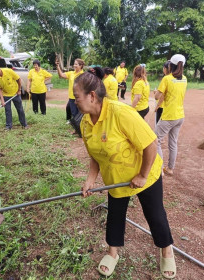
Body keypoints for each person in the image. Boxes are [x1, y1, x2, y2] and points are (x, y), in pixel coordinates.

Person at [75, 72, 176, 279]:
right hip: (116, 179)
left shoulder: (120, 112)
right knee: (115, 214)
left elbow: (150, 143)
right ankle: (112, 253)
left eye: (77, 96)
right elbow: (95, 155)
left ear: (92, 96)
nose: (74, 101)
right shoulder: (85, 123)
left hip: (145, 172)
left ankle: (166, 250)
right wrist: (90, 180)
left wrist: (142, 175)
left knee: (155, 214)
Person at [155, 54, 187, 176]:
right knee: (173, 143)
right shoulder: (184, 78)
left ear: (171, 65)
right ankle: (170, 168)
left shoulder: (167, 78)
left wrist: (156, 92)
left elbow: (157, 96)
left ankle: (159, 168)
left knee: (155, 141)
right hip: (180, 115)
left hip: (169, 116)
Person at [0, 63, 29, 130]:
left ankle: (24, 124)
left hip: (15, 93)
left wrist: (19, 90)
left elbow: (19, 79)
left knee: (20, 109)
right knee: (7, 111)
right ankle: (8, 126)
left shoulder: (8, 71)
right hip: (5, 94)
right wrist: (2, 101)